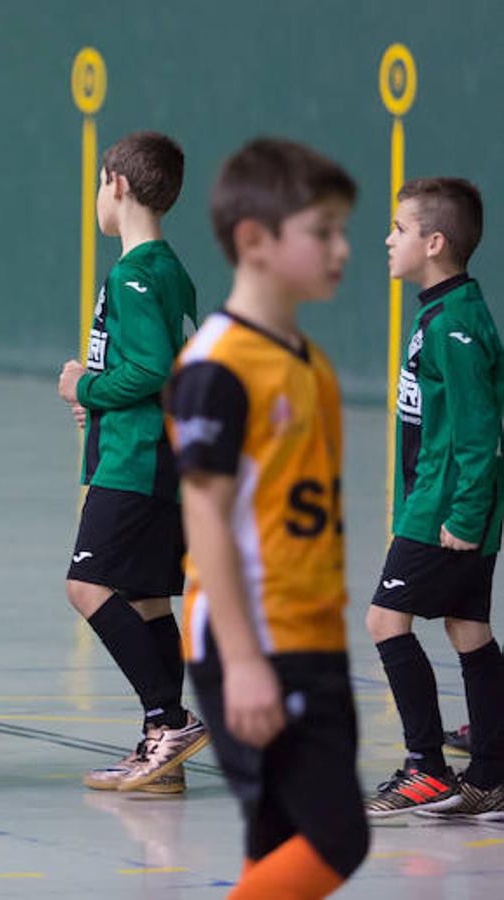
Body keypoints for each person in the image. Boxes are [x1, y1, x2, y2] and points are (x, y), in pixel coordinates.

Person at [165, 138, 367, 897]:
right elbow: (206, 515)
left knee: (276, 842)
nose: (342, 248)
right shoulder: (219, 364)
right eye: (322, 231)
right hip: (253, 641)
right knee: (336, 837)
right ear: (254, 241)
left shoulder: (308, 363)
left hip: (313, 631)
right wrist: (245, 659)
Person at [56, 131, 206, 793]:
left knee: (86, 586)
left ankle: (167, 720)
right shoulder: (172, 270)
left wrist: (85, 387)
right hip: (159, 456)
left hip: (136, 459)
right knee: (146, 600)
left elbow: (150, 367)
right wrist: (105, 392)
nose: (96, 196)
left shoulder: (135, 273)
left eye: (97, 183)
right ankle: (160, 754)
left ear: (116, 185)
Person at [363, 177, 504, 819]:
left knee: (385, 621)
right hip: (442, 503)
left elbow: (480, 432)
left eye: (399, 228)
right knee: (467, 627)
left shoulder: (457, 326)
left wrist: (464, 516)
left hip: (446, 510)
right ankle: (493, 773)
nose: (388, 239)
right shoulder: (445, 313)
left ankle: (426, 767)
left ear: (435, 242)